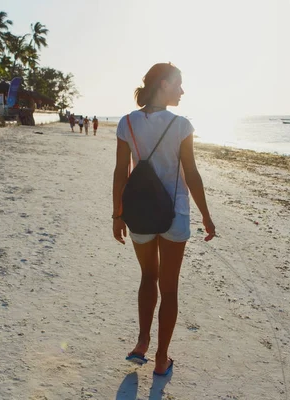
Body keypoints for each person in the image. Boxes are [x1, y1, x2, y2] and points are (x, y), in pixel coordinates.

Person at [112, 62, 216, 376]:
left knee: (148, 278)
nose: (182, 91)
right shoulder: (181, 125)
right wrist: (207, 218)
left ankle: (142, 342)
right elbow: (193, 175)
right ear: (163, 84)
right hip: (176, 214)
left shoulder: (126, 123)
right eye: (179, 84)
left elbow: (121, 172)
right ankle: (161, 358)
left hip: (139, 214)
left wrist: (118, 214)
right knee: (169, 289)